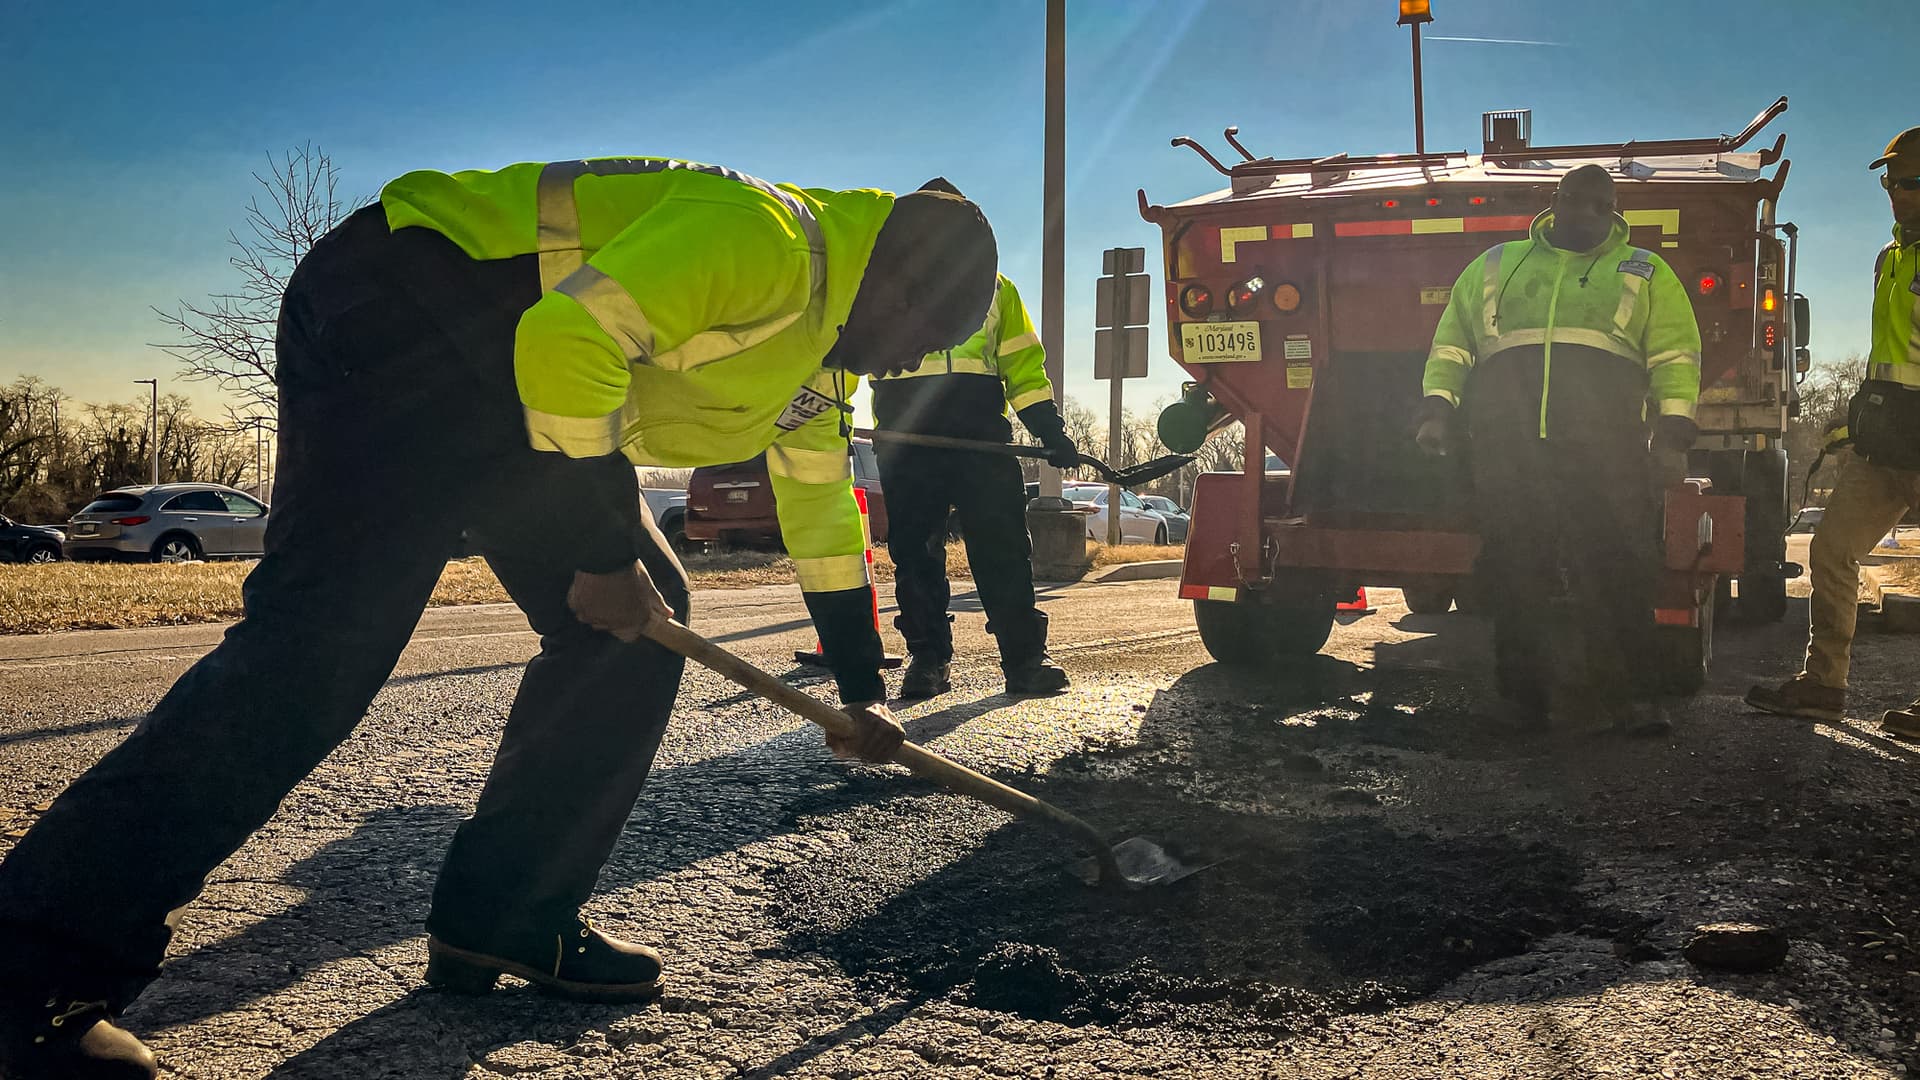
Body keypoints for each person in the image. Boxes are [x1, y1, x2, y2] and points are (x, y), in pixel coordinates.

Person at [0, 156, 999, 1079]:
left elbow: (823, 508)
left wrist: (861, 694)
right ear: (904, 284)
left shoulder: (822, 348)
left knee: (633, 630)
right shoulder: (768, 238)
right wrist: (605, 553)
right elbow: (565, 338)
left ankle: (511, 915)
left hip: (509, 385)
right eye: (923, 339)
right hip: (402, 304)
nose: (906, 363)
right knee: (316, 653)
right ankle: (27, 975)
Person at [1414, 164, 1703, 735]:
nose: (1584, 212)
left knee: (1618, 569)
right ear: (1555, 201)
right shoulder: (1495, 265)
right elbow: (1453, 345)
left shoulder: (1645, 271)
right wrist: (1437, 409)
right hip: (1509, 452)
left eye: (1598, 205)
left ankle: (1633, 701)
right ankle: (1521, 701)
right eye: (1573, 200)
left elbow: (1674, 355)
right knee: (1513, 572)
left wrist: (1673, 434)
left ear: (1613, 210)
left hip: (1607, 453)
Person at [868, 180, 1078, 700]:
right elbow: (850, 354)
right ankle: (928, 659)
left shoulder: (997, 289)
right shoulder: (880, 286)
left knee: (1003, 549)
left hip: (980, 436)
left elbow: (1024, 370)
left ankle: (1024, 661)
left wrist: (1049, 428)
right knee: (915, 553)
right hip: (906, 438)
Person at [1747, 128, 1920, 736]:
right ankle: (1823, 686)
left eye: (1911, 182)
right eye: (1892, 182)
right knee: (1831, 550)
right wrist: (1858, 417)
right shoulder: (1890, 257)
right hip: (1888, 441)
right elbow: (1890, 355)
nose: (1897, 194)